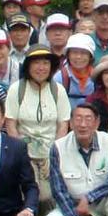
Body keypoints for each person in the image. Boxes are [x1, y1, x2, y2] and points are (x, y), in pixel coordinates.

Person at [9, 45, 71, 192]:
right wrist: (22, 155)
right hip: (25, 155)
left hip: (50, 155)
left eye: (45, 63)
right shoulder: (17, 89)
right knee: (29, 193)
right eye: (36, 62)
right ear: (28, 66)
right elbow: (11, 125)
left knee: (48, 197)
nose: (41, 67)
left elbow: (63, 125)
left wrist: (53, 154)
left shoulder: (58, 90)